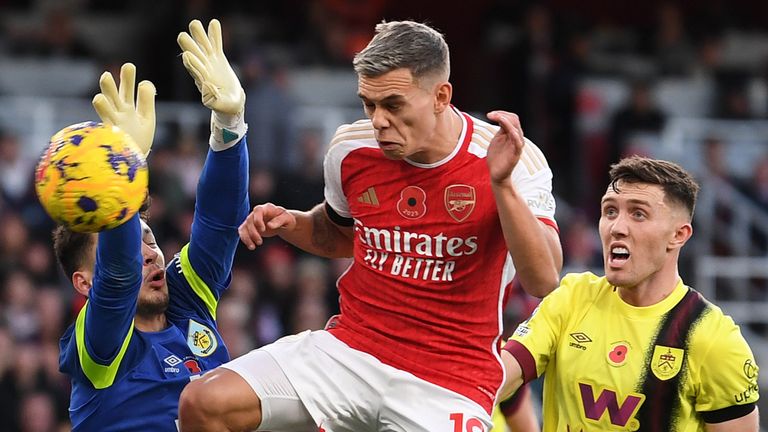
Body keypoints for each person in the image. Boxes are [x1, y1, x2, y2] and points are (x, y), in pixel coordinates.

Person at [179, 20, 562, 431]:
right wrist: (293, 223)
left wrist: (501, 184)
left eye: (393, 105)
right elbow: (340, 233)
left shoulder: (509, 158)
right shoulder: (350, 148)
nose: (379, 120)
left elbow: (543, 280)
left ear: (441, 95)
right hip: (352, 350)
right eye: (369, 104)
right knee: (203, 402)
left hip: (449, 378)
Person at [55, 19, 250, 431]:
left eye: (150, 239)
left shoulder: (188, 302)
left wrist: (230, 128)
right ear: (85, 283)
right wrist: (127, 171)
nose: (149, 252)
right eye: (133, 242)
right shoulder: (100, 344)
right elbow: (120, 274)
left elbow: (219, 224)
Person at [499, 156, 760, 431]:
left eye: (638, 214)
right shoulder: (572, 298)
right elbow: (499, 378)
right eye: (610, 211)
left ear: (678, 235)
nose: (617, 228)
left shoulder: (711, 337)